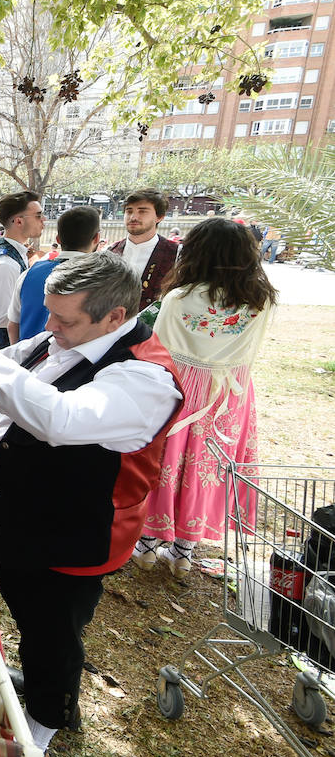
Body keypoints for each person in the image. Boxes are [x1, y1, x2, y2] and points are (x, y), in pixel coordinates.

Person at [0, 252, 181, 757]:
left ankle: (44, 727)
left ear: (115, 316)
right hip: (20, 515)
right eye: (50, 313)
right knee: (25, 609)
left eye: (65, 318)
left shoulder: (145, 377)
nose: (50, 326)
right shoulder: (62, 338)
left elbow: (60, 419)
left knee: (53, 633)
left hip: (72, 533)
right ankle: (38, 684)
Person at [135, 219, 278, 575]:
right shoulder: (261, 301)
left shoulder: (180, 298)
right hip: (230, 393)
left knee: (168, 460)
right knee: (209, 464)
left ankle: (148, 543)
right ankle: (185, 550)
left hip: (182, 388)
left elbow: (159, 349)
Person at [7, 207, 101, 344]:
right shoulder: (105, 279)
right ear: (97, 238)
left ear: (58, 239)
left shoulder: (29, 274)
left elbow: (13, 325)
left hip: (30, 360)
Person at [0, 191, 45, 349]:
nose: (44, 221)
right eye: (38, 216)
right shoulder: (5, 264)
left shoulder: (11, 252)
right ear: (19, 221)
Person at [108, 188, 179, 312]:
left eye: (142, 211)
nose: (133, 217)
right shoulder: (110, 252)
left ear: (159, 217)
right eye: (129, 211)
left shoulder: (176, 254)